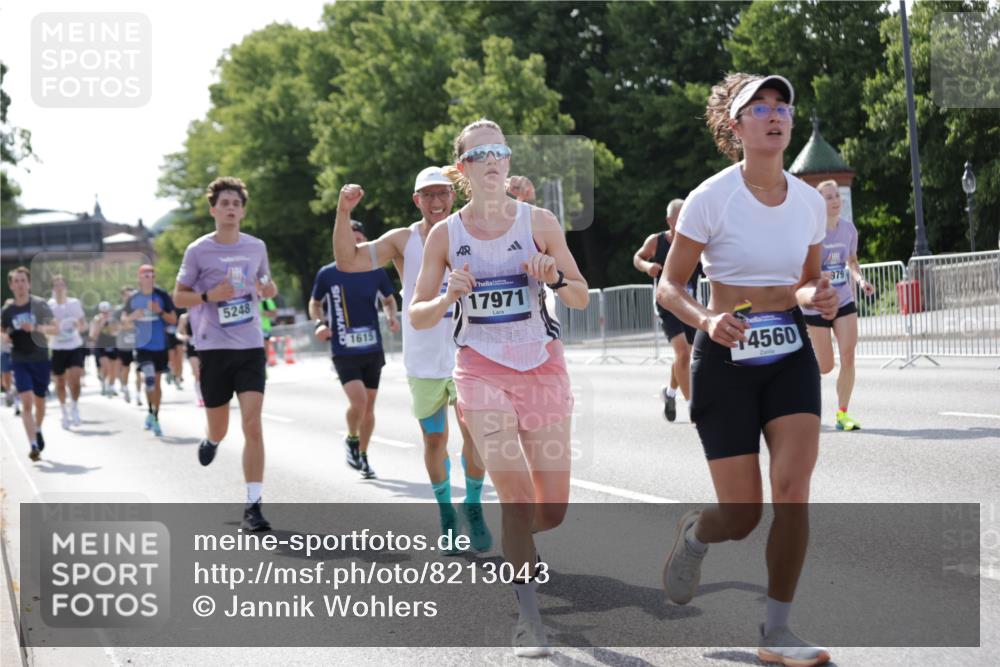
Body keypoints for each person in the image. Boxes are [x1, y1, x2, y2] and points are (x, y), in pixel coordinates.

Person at [657, 74, 837, 667]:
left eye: (780, 106)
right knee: (742, 513)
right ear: (735, 128)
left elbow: (806, 282)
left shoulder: (810, 202)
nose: (773, 115)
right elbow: (669, 286)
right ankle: (697, 536)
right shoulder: (712, 196)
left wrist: (821, 296)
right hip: (725, 358)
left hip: (788, 354)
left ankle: (777, 631)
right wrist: (707, 321)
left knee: (792, 492)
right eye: (758, 108)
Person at [409, 119, 589, 657]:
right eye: (478, 153)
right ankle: (528, 618)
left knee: (550, 509)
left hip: (541, 365)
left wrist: (552, 275)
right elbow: (418, 316)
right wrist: (445, 297)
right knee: (514, 496)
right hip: (480, 370)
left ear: (507, 162)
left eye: (499, 150)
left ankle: (519, 546)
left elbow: (579, 295)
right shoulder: (446, 235)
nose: (491, 159)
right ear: (462, 169)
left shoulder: (539, 221)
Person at [332, 166, 492, 551]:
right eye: (428, 195)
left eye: (443, 194)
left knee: (476, 436)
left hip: (469, 353)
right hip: (423, 361)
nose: (436, 202)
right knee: (435, 440)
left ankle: (472, 506)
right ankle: (446, 514)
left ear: (453, 197)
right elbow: (347, 260)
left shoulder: (471, 231)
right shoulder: (403, 240)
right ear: (416, 200)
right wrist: (342, 212)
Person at [173, 176, 279, 532]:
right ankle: (212, 439)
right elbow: (178, 297)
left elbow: (268, 285)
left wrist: (268, 288)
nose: (231, 208)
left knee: (252, 423)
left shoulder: (256, 246)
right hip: (213, 348)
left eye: (236, 203)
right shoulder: (198, 251)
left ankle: (253, 505)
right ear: (213, 210)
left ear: (242, 210)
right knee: (221, 424)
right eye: (225, 203)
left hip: (250, 346)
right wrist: (207, 297)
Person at [310, 220, 400, 480]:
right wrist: (320, 323)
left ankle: (363, 455)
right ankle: (351, 438)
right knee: (358, 401)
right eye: (350, 239)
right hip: (343, 349)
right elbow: (314, 303)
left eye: (359, 238)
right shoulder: (328, 273)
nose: (355, 243)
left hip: (372, 348)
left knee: (369, 407)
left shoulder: (376, 271)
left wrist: (391, 316)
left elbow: (389, 300)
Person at [802, 180, 874, 432]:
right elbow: (804, 270)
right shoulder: (811, 232)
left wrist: (861, 280)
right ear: (818, 203)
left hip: (843, 298)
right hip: (817, 304)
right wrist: (821, 275)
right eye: (828, 197)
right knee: (825, 365)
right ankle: (797, 373)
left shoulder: (848, 229)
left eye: (836, 196)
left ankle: (842, 414)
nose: (834, 201)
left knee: (848, 355)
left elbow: (851, 262)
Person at [633, 198, 702, 421]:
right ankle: (693, 407)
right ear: (669, 220)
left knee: (684, 356)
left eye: (687, 217)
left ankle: (670, 393)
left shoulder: (695, 242)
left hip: (689, 304)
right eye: (680, 218)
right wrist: (647, 266)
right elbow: (638, 257)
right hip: (666, 304)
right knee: (683, 353)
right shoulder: (657, 241)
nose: (684, 222)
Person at [1, 267, 56, 461]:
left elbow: (55, 328)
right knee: (26, 402)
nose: (20, 284)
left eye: (23, 280)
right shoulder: (7, 311)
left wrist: (36, 327)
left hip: (40, 358)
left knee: (40, 403)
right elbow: (1, 332)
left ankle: (38, 428)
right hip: (20, 359)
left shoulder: (39, 305)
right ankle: (33, 445)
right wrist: (5, 337)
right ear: (11, 286)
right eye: (16, 281)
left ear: (29, 283)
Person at [124, 265, 177, 437]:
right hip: (142, 346)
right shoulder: (133, 298)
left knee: (157, 383)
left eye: (152, 275)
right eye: (146, 275)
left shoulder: (161, 295)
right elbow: (123, 321)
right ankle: (150, 410)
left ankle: (154, 415)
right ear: (139, 278)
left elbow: (173, 319)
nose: (150, 278)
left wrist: (159, 311)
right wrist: (133, 316)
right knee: (149, 379)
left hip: (160, 345)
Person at [47, 274, 87, 429]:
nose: (59, 288)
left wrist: (78, 325)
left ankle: (74, 407)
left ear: (65, 287)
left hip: (74, 345)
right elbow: (45, 330)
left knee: (75, 380)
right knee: (61, 382)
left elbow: (84, 326)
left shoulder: (74, 303)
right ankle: (64, 411)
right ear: (52, 288)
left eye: (61, 284)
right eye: (56, 285)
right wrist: (54, 329)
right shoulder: (49, 306)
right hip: (57, 348)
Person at [112, 286, 140, 404]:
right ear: (122, 296)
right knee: (126, 368)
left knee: (140, 370)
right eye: (126, 295)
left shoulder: (139, 308)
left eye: (131, 295)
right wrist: (129, 325)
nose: (129, 297)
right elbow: (114, 329)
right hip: (124, 344)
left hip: (139, 343)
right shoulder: (118, 310)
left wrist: (127, 324)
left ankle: (138, 395)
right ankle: (125, 388)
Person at [89, 301, 119, 397]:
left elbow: (116, 332)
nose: (105, 314)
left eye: (107, 312)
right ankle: (104, 384)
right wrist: (101, 324)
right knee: (106, 367)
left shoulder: (113, 319)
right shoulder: (96, 320)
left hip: (113, 344)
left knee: (113, 368)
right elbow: (93, 335)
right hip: (101, 345)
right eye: (103, 312)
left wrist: (110, 324)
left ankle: (111, 386)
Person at [176, 310, 204, 407]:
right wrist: (184, 337)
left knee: (206, 373)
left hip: (205, 347)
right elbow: (178, 333)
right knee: (197, 373)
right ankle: (200, 397)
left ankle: (207, 394)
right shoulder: (184, 317)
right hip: (192, 348)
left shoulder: (205, 313)